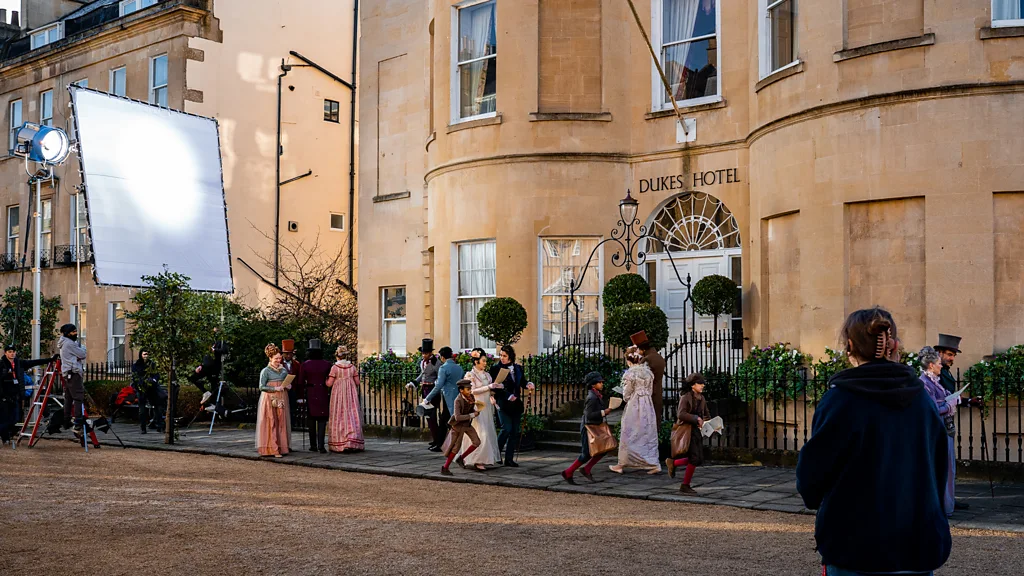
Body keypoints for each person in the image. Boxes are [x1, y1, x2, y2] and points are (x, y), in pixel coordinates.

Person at [796, 307, 951, 575]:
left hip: (855, 546)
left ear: (851, 345)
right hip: (916, 542)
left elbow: (812, 478)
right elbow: (938, 468)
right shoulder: (922, 400)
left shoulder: (840, 400)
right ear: (894, 345)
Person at [933, 333, 970, 512]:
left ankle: (948, 499)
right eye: (949, 354)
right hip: (937, 424)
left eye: (953, 355)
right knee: (941, 464)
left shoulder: (945, 373)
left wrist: (968, 401)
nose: (951, 358)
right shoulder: (932, 375)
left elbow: (951, 397)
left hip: (947, 422)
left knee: (949, 465)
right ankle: (942, 501)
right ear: (939, 353)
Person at [919, 346, 957, 518]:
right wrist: (949, 405)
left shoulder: (935, 381)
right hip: (936, 429)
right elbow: (933, 408)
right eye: (938, 363)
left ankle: (946, 505)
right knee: (939, 465)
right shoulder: (924, 383)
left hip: (945, 427)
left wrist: (951, 397)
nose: (941, 366)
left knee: (948, 466)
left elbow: (942, 397)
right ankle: (938, 506)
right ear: (931, 365)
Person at [611, 346, 660, 475]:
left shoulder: (630, 373)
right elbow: (650, 390)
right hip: (647, 404)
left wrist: (627, 397)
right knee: (647, 432)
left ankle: (622, 463)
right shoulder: (648, 373)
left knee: (630, 431)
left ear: (629, 360)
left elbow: (627, 393)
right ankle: (653, 463)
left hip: (635, 403)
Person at [562, 371, 614, 484]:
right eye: (599, 382)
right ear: (593, 384)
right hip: (588, 428)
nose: (602, 384)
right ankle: (568, 472)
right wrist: (603, 412)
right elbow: (588, 415)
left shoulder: (596, 395)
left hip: (595, 426)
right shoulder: (592, 398)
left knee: (603, 450)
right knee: (586, 453)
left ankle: (586, 469)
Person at [665, 373, 711, 493]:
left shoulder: (702, 398)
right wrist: (696, 418)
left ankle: (673, 463)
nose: (702, 386)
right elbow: (681, 414)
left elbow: (706, 414)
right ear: (692, 385)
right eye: (700, 384)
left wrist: (710, 423)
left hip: (696, 431)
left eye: (703, 384)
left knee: (698, 458)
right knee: (694, 458)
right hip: (687, 430)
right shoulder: (686, 397)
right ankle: (685, 485)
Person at [490, 345, 534, 467]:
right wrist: (507, 395)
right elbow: (494, 386)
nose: (502, 358)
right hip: (503, 403)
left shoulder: (518, 368)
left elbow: (522, 382)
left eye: (504, 356)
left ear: (511, 356)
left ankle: (509, 459)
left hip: (516, 404)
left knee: (514, 431)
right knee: (506, 428)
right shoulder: (495, 368)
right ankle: (496, 454)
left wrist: (528, 384)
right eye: (501, 355)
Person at [0, 345, 51, 445]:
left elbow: (33, 362)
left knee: (16, 418)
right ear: (5, 353)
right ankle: (5, 437)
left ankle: (7, 434)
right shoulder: (1, 365)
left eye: (13, 352)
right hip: (4, 396)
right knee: (4, 418)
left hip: (16, 396)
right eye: (10, 352)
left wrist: (49, 360)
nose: (12, 354)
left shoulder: (18, 363)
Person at [461, 352, 501, 470]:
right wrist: (488, 387)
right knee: (479, 432)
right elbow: (471, 391)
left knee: (487, 431)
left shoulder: (487, 375)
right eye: (483, 361)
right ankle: (476, 459)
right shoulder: (470, 375)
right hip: (477, 405)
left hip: (487, 406)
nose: (485, 363)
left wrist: (495, 389)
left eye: (485, 361)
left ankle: (486, 458)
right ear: (476, 361)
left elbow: (489, 390)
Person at [422, 346, 463, 449]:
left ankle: (443, 444)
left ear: (442, 357)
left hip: (447, 396)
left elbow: (438, 385)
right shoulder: (459, 367)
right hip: (458, 396)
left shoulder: (443, 368)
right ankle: (442, 443)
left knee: (447, 420)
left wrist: (428, 398)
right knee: (447, 420)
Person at [256, 343, 292, 458]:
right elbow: (261, 387)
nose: (279, 360)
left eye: (280, 358)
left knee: (281, 421)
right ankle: (272, 448)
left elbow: (287, 382)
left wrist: (288, 386)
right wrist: (275, 388)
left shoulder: (283, 370)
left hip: (282, 397)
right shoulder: (265, 371)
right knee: (271, 421)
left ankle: (282, 447)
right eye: (276, 358)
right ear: (270, 358)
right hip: (270, 398)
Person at [326, 345, 364, 452]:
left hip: (338, 394)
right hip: (350, 394)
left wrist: (324, 381)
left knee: (339, 415)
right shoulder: (352, 367)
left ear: (337, 356)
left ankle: (340, 441)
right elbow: (357, 382)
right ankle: (353, 441)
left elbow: (329, 384)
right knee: (352, 414)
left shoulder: (335, 368)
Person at [406, 339, 442, 451]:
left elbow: (440, 376)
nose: (424, 355)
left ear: (430, 353)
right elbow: (422, 375)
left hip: (432, 391)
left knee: (432, 416)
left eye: (426, 353)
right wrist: (413, 382)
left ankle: (438, 441)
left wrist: (436, 383)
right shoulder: (422, 362)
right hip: (425, 389)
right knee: (427, 416)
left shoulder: (437, 363)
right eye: (423, 353)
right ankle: (435, 438)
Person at [441, 379, 482, 476]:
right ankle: (445, 467)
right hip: (458, 426)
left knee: (477, 442)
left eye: (470, 389)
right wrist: (472, 415)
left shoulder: (471, 397)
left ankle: (461, 458)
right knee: (456, 448)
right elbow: (457, 417)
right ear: (461, 390)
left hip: (467, 425)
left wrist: (477, 408)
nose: (470, 391)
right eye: (468, 389)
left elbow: (471, 409)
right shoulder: (458, 401)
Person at [300, 339, 332, 453]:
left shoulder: (305, 365)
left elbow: (300, 381)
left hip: (310, 392)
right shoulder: (327, 364)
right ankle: (321, 445)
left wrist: (301, 395)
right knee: (322, 420)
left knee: (311, 420)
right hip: (323, 391)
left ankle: (313, 445)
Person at [58, 323, 88, 439]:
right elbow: (82, 354)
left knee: (69, 398)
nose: (76, 333)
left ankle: (66, 419)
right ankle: (78, 422)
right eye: (73, 332)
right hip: (74, 372)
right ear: (68, 333)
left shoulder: (64, 343)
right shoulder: (70, 344)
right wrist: (82, 349)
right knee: (78, 397)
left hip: (68, 372)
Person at [632, 331, 665, 423]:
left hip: (648, 395)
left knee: (647, 423)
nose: (638, 352)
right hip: (658, 392)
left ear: (643, 349)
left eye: (638, 349)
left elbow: (639, 379)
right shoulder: (659, 357)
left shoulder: (647, 359)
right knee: (656, 421)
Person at [131, 350, 165, 434]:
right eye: (144, 354)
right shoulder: (136, 365)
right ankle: (143, 427)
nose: (146, 355)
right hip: (141, 389)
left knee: (158, 406)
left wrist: (153, 380)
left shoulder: (152, 364)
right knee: (142, 409)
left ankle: (159, 425)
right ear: (141, 355)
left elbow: (157, 375)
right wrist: (141, 382)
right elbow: (135, 377)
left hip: (152, 388)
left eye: (147, 354)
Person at [189, 338, 228, 405]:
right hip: (206, 366)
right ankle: (205, 392)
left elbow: (225, 350)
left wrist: (215, 350)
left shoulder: (221, 341)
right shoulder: (207, 340)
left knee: (214, 386)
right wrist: (200, 365)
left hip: (214, 367)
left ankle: (213, 404)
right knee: (193, 378)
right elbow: (206, 356)